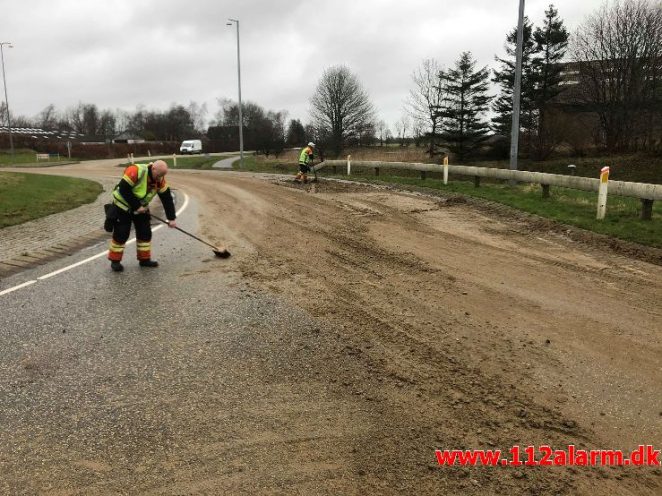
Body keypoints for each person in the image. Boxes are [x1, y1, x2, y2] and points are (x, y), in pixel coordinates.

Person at [107, 159, 177, 272]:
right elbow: (124, 189)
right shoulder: (136, 170)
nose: (159, 179)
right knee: (122, 233)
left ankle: (144, 259)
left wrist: (171, 218)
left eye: (162, 176)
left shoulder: (160, 179)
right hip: (123, 206)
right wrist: (136, 206)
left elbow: (167, 198)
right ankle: (115, 261)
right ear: (153, 168)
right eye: (158, 175)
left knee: (145, 232)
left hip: (142, 209)